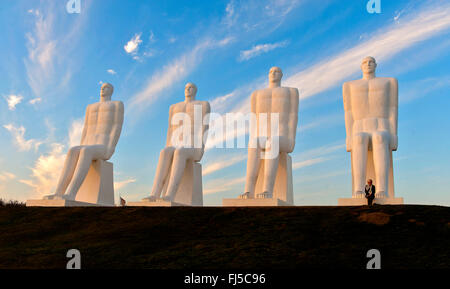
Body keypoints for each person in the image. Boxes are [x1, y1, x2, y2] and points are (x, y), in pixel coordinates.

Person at [44, 83, 124, 201]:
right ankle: (58, 193)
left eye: (106, 87)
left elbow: (117, 126)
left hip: (103, 146)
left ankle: (71, 193)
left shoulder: (117, 104)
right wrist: (81, 144)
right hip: (88, 144)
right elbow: (86, 128)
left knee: (86, 151)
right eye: (101, 87)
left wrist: (111, 148)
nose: (102, 89)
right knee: (73, 150)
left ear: (111, 91)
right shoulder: (90, 107)